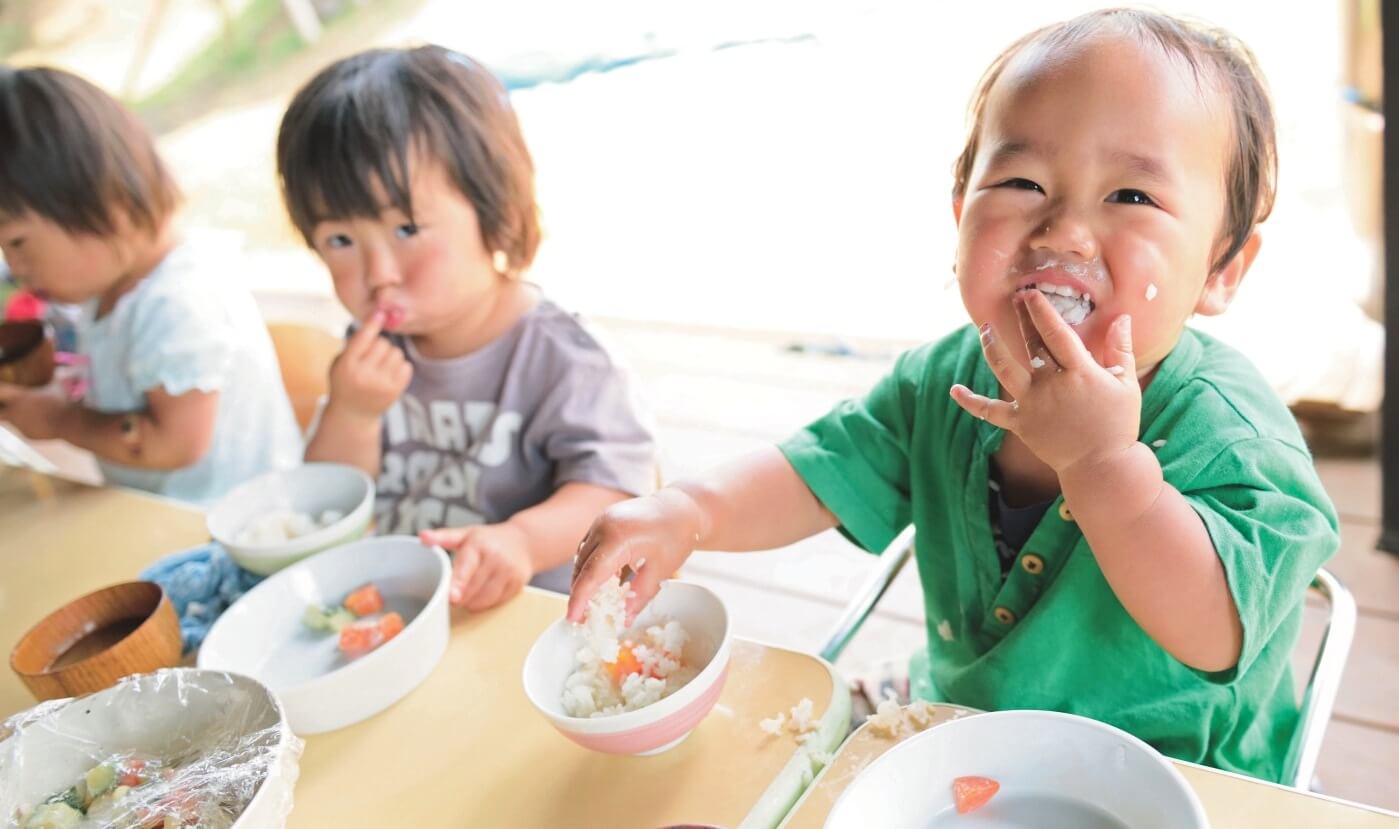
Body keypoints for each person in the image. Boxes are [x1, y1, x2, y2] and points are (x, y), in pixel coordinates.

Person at [569, 9, 1338, 783]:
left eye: (1132, 196)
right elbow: (818, 471)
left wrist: (1102, 462)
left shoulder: (1236, 437)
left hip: (1176, 781)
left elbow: (1214, 630)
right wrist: (690, 511)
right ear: (958, 215)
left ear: (1221, 269)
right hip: (966, 744)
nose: (1064, 230)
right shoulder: (942, 382)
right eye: (1021, 182)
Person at [278, 46, 657, 610]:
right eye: (340, 240)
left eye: (406, 228)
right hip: (402, 605)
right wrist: (351, 413)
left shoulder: (566, 359)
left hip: (526, 616)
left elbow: (615, 490)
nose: (379, 274)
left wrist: (522, 540)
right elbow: (329, 499)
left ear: (496, 212)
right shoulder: (371, 351)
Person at [0, 66, 301, 504]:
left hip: (244, 531)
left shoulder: (178, 300)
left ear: (107, 202)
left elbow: (177, 443)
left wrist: (60, 420)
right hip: (174, 522)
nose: (12, 266)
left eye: (16, 242)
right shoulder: (109, 291)